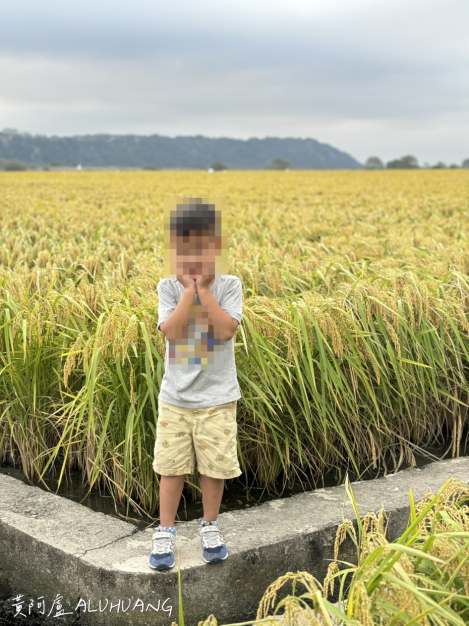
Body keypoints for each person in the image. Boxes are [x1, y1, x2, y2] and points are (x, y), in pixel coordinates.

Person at [149, 197, 243, 571]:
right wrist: (188, 291)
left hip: (218, 398)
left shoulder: (229, 285)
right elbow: (171, 333)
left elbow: (225, 331)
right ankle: (165, 531)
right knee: (171, 467)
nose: (192, 258)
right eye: (184, 250)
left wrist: (204, 290)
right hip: (176, 398)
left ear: (215, 249)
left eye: (201, 249)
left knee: (214, 467)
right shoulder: (168, 288)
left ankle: (210, 526)